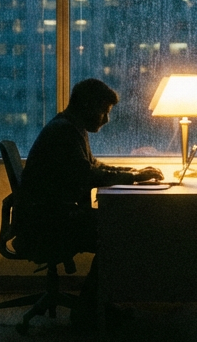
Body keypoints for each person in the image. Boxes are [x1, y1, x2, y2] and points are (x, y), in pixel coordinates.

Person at [16, 78, 163, 326]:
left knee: (117, 227)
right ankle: (91, 309)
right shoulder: (64, 131)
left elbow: (93, 166)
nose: (106, 119)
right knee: (118, 232)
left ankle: (94, 305)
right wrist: (135, 177)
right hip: (50, 222)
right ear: (87, 106)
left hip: (50, 215)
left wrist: (133, 171)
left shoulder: (71, 126)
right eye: (104, 111)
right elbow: (87, 175)